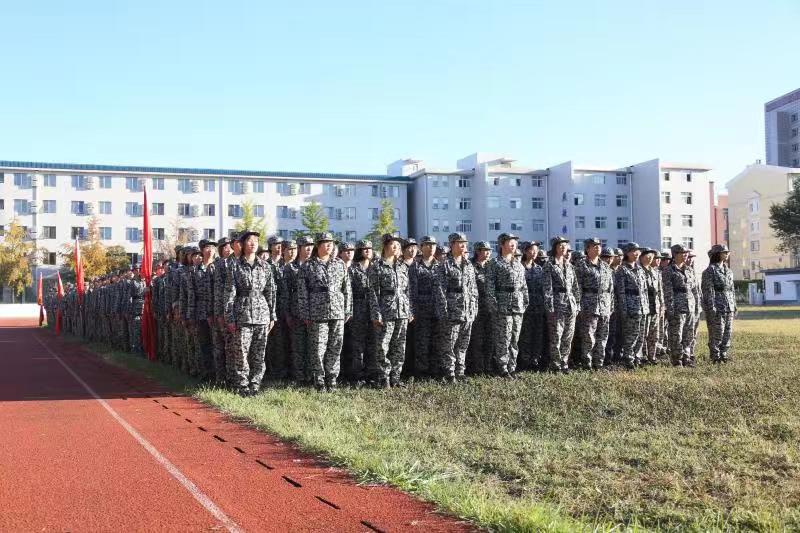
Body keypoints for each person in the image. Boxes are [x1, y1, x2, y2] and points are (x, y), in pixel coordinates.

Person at [296, 232, 352, 391]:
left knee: (335, 346)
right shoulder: (308, 265)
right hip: (317, 312)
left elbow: (346, 289)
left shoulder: (339, 264)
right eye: (326, 243)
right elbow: (302, 292)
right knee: (318, 348)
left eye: (331, 243)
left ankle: (332, 378)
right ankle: (319, 380)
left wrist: (347, 310)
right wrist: (305, 313)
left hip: (337, 311)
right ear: (318, 245)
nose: (329, 246)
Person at [224, 231, 277, 396]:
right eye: (249, 240)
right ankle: (243, 385)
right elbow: (230, 294)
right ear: (242, 244)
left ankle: (255, 384)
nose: (253, 243)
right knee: (241, 352)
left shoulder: (265, 266)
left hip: (262, 314)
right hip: (243, 314)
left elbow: (270, 292)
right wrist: (229, 317)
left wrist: (272, 316)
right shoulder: (235, 266)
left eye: (256, 240)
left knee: (259, 353)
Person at [367, 233, 414, 388]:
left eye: (398, 245)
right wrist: (376, 313)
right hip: (385, 311)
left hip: (402, 311)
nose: (396, 247)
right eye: (393, 244)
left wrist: (410, 311)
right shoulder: (377, 266)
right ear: (385, 246)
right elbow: (373, 293)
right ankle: (384, 378)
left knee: (399, 346)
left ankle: (395, 377)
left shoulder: (402, 266)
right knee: (383, 346)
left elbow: (407, 291)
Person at [434, 232, 479, 382]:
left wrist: (474, 308)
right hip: (452, 311)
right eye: (460, 242)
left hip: (467, 311)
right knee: (449, 343)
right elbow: (440, 290)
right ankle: (449, 372)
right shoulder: (444, 265)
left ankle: (460, 371)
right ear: (452, 245)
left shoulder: (469, 265)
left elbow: (473, 289)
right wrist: (444, 311)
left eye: (465, 242)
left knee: (463, 343)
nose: (463, 245)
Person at [486, 232, 529, 377]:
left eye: (515, 242)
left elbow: (523, 286)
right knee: (503, 338)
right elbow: (490, 286)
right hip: (502, 306)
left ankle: (512, 367)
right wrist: (494, 305)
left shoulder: (518, 264)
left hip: (517, 306)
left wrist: (525, 302)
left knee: (514, 338)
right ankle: (502, 367)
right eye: (510, 242)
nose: (513, 244)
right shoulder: (494, 263)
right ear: (502, 244)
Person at [575, 238, 614, 370]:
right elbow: (578, 287)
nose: (598, 247)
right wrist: (579, 306)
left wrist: (611, 306)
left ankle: (599, 362)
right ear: (587, 249)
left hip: (604, 305)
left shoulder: (605, 266)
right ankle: (587, 362)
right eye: (594, 246)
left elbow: (610, 289)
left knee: (602, 336)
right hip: (589, 305)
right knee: (588, 336)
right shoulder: (581, 265)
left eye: (599, 245)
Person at [542, 236, 580, 373]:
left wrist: (577, 304)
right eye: (560, 245)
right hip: (557, 304)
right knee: (556, 336)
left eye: (565, 245)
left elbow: (575, 287)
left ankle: (564, 363)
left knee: (568, 336)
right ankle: (556, 364)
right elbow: (547, 289)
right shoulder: (549, 265)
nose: (563, 248)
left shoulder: (569, 266)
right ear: (555, 248)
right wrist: (550, 307)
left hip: (570, 304)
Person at [663, 244, 699, 367]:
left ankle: (686, 357)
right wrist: (670, 308)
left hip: (690, 305)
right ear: (675, 254)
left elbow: (694, 290)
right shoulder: (668, 270)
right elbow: (668, 291)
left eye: (686, 253)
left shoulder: (689, 270)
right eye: (682, 253)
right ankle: (676, 359)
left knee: (688, 334)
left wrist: (697, 306)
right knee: (676, 334)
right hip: (677, 306)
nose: (685, 255)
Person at [614, 242, 649, 369]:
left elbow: (644, 290)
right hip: (631, 307)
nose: (636, 253)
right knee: (631, 335)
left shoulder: (640, 269)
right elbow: (621, 292)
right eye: (633, 251)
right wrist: (624, 309)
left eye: (638, 251)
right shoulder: (622, 270)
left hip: (642, 307)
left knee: (641, 335)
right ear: (627, 253)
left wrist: (646, 306)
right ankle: (628, 358)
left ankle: (637, 357)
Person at [344, 240, 374, 385]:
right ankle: (358, 374)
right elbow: (348, 292)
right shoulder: (352, 269)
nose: (367, 251)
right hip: (357, 308)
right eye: (364, 248)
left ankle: (372, 373)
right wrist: (349, 311)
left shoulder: (376, 267)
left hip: (373, 308)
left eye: (369, 248)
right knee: (357, 343)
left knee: (373, 342)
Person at [409, 235, 440, 377]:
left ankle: (435, 369)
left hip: (437, 308)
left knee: (436, 339)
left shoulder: (440, 265)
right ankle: (421, 370)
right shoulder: (415, 266)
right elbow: (411, 290)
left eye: (433, 245)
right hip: (421, 308)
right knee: (422, 340)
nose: (431, 247)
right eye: (427, 244)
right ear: (421, 247)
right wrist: (412, 310)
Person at [285, 236, 314, 383]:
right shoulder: (290, 268)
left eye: (311, 246)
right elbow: (285, 292)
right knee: (298, 345)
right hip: (296, 311)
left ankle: (312, 375)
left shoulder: (316, 265)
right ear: (299, 248)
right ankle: (299, 376)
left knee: (314, 345)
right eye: (305, 246)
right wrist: (288, 313)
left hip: (315, 311)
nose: (309, 249)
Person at [702, 244, 736, 363]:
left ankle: (723, 353)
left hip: (729, 305)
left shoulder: (729, 271)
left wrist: (734, 305)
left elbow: (732, 289)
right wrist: (711, 306)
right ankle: (715, 356)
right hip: (717, 305)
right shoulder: (710, 271)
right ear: (717, 254)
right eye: (724, 252)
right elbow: (708, 290)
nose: (727, 254)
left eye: (728, 252)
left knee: (727, 331)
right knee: (717, 332)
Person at [467, 241, 494, 374]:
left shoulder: (492, 266)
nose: (488, 253)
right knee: (477, 339)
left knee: (490, 338)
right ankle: (477, 367)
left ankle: (488, 367)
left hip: (491, 308)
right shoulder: (470, 266)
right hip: (476, 307)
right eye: (485, 250)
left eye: (489, 250)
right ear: (477, 251)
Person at [520, 244, 547, 371]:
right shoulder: (520, 267)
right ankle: (525, 359)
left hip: (538, 305)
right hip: (525, 306)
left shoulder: (539, 269)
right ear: (525, 251)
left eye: (536, 250)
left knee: (538, 333)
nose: (534, 252)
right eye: (531, 250)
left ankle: (535, 359)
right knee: (526, 334)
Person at [210, 237, 233, 384]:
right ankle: (220, 377)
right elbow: (217, 291)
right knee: (219, 346)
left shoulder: (236, 262)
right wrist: (219, 313)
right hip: (220, 310)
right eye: (224, 247)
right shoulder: (217, 266)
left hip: (233, 311)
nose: (228, 249)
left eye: (230, 246)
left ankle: (231, 377)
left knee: (232, 347)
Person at [640, 247, 663, 365]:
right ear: (641, 257)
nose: (650, 258)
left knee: (654, 334)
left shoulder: (655, 272)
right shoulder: (638, 271)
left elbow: (660, 290)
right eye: (647, 256)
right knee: (643, 333)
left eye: (652, 257)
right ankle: (643, 356)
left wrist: (662, 305)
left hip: (656, 306)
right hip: (644, 306)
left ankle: (652, 356)